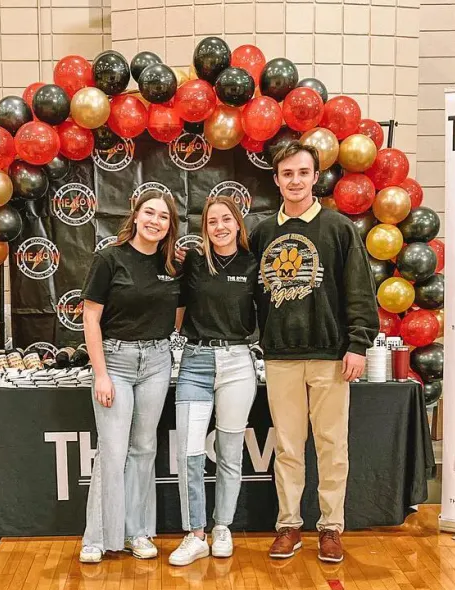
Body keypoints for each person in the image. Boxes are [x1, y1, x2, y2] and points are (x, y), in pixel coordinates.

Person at [248, 142, 378, 564]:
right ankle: (289, 524)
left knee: (331, 445)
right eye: (287, 173)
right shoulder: (264, 232)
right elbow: (252, 295)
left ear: (315, 177)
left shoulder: (339, 228)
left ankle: (330, 527)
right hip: (280, 355)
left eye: (303, 172)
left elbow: (359, 291)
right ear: (276, 180)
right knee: (287, 447)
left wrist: (357, 344)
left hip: (329, 355)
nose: (296, 180)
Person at [78, 190, 181, 564]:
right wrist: (101, 374)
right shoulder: (109, 258)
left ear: (170, 226)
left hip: (156, 362)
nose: (155, 221)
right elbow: (90, 317)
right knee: (112, 451)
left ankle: (139, 532)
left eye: (164, 217)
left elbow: (179, 313)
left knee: (143, 450)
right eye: (149, 213)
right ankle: (97, 537)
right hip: (116, 363)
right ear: (135, 217)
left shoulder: (173, 265)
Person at [168, 197, 259, 567]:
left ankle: (223, 526)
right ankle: (195, 534)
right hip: (195, 362)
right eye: (211, 222)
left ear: (238, 224)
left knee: (229, 454)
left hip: (238, 364)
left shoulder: (253, 265)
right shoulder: (192, 262)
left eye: (226, 219)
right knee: (189, 454)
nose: (219, 226)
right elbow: (176, 308)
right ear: (204, 229)